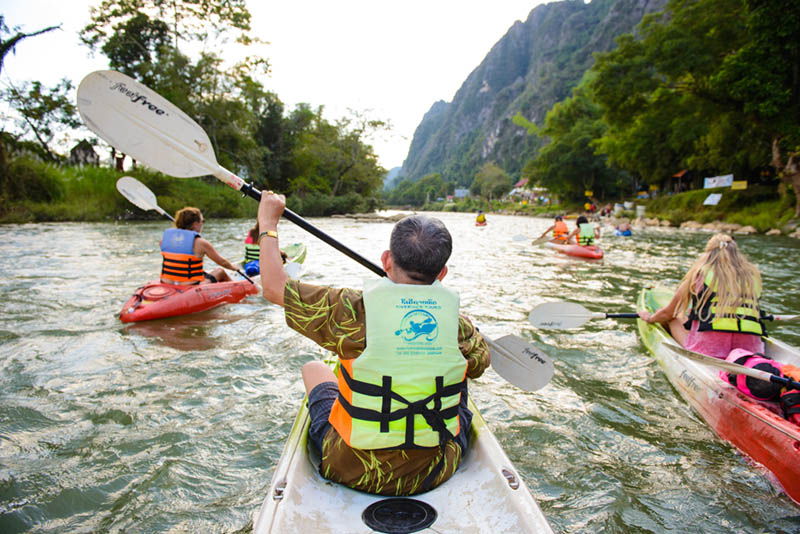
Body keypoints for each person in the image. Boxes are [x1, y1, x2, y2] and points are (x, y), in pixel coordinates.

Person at [256, 191, 490, 496]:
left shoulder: (352, 309)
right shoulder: (460, 328)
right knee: (460, 384)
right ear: (442, 273)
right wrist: (463, 323)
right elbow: (480, 363)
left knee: (314, 368)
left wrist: (268, 222)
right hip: (433, 471)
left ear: (386, 260)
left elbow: (274, 288)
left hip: (349, 468)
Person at [637, 233, 766, 358]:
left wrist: (650, 318)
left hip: (709, 351)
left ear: (708, 254)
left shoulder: (699, 276)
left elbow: (667, 313)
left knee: (674, 317)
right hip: (751, 351)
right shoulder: (752, 277)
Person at [159, 207, 236, 285]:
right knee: (220, 272)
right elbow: (222, 262)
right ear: (195, 224)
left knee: (202, 272)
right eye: (202, 221)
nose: (202, 223)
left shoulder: (163, 240)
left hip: (166, 282)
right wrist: (234, 268)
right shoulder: (201, 243)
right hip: (190, 285)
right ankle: (237, 289)